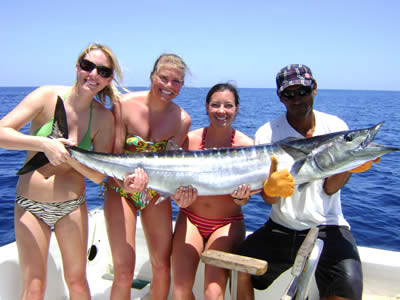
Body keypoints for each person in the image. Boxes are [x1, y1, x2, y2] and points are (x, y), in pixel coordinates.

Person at [236, 64, 378, 300]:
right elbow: (269, 198)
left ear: (314, 89)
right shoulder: (266, 133)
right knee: (239, 266)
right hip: (280, 226)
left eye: (302, 91)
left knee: (348, 288)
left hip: (329, 226)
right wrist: (271, 189)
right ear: (280, 97)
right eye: (289, 94)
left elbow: (330, 188)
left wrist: (348, 165)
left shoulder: (335, 127)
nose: (297, 99)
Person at [0, 43, 123, 300]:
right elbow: (2, 133)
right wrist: (43, 143)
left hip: (71, 207)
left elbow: (99, 175)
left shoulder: (103, 118)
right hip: (30, 205)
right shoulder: (46, 96)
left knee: (77, 283)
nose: (93, 75)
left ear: (109, 78)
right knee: (34, 285)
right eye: (87, 66)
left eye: (103, 71)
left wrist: (71, 157)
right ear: (77, 67)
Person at [104, 53, 192, 300]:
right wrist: (126, 185)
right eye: (163, 78)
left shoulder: (182, 120)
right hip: (120, 189)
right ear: (152, 76)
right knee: (123, 270)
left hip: (154, 193)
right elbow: (113, 158)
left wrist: (181, 193)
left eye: (176, 82)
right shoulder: (123, 104)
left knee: (163, 267)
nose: (169, 86)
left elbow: (174, 168)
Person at [171, 83, 255, 300]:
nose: (221, 110)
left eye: (228, 105)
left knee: (213, 293)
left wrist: (242, 199)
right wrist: (177, 197)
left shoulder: (248, 146)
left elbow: (246, 197)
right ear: (207, 107)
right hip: (190, 218)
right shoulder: (190, 140)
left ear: (237, 108)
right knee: (180, 290)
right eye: (215, 104)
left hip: (227, 224)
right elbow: (172, 179)